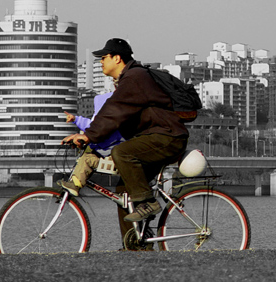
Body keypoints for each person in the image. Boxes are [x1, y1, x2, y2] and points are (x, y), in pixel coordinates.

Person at [62, 38, 189, 242]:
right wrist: (91, 138)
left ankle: (148, 203)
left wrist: (87, 135)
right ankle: (135, 247)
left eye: (104, 57)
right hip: (157, 137)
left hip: (167, 137)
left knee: (122, 153)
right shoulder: (129, 79)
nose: (100, 62)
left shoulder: (134, 77)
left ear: (117, 58)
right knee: (124, 192)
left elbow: (113, 111)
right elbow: (114, 118)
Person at [57, 90, 123, 196]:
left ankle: (76, 184)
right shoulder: (110, 120)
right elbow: (91, 127)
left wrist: (87, 138)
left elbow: (100, 133)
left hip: (115, 160)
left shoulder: (114, 124)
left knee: (88, 159)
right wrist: (76, 120)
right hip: (113, 157)